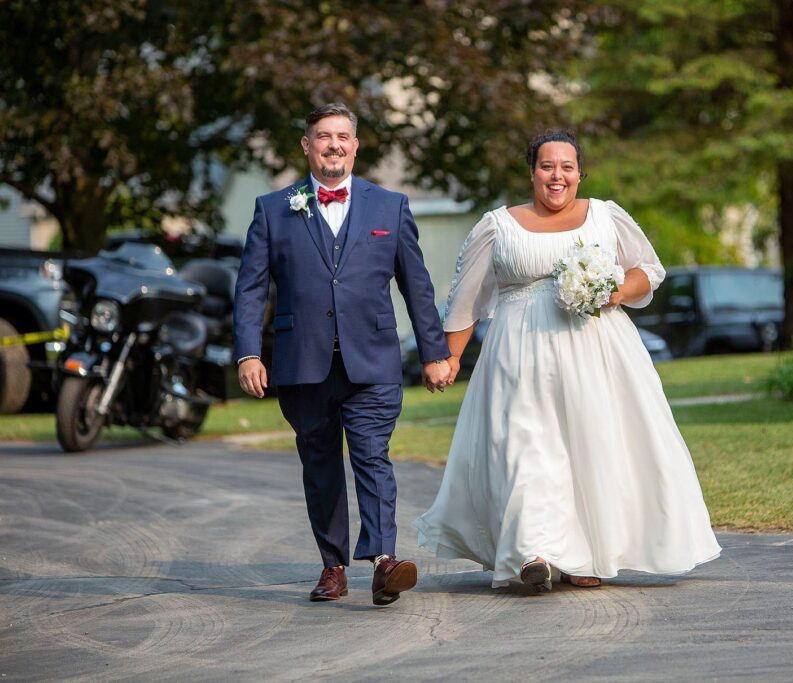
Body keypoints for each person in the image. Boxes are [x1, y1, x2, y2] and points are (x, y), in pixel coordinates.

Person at [414, 131, 721, 590]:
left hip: (597, 350)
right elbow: (466, 299)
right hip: (520, 351)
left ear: (579, 172)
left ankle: (587, 557)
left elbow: (647, 271)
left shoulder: (606, 216)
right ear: (532, 171)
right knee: (527, 448)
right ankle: (533, 552)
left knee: (592, 447)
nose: (557, 176)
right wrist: (448, 357)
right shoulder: (498, 225)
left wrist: (614, 290)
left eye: (566, 167)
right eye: (546, 166)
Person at [234, 102, 451, 606]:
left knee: (373, 456)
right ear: (306, 145)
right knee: (321, 464)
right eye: (323, 136)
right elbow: (250, 290)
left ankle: (383, 562)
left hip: (372, 359)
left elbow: (416, 286)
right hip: (300, 362)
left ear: (356, 145)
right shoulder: (273, 208)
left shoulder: (390, 206)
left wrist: (434, 352)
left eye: (343, 136)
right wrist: (248, 354)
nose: (334, 144)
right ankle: (332, 565)